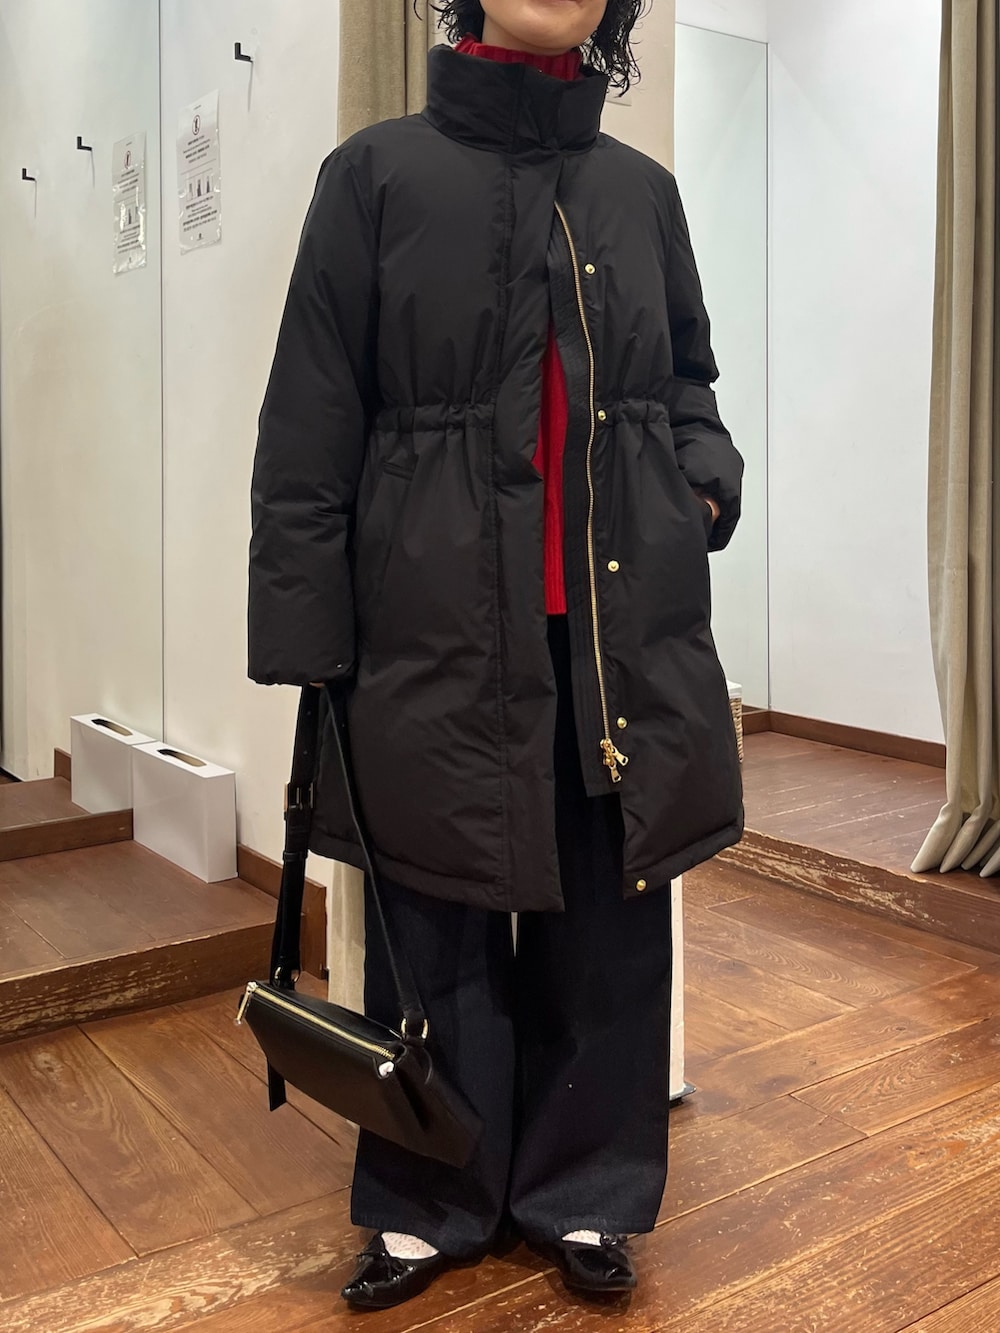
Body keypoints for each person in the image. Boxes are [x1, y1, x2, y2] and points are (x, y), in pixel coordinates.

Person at [248, 0, 744, 1312]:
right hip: (431, 630)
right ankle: (429, 1200)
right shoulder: (373, 177)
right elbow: (309, 423)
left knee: (610, 924)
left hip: (616, 633)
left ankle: (586, 1190)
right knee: (433, 921)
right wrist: (309, 642)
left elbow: (688, 381)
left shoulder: (641, 192)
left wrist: (704, 480)